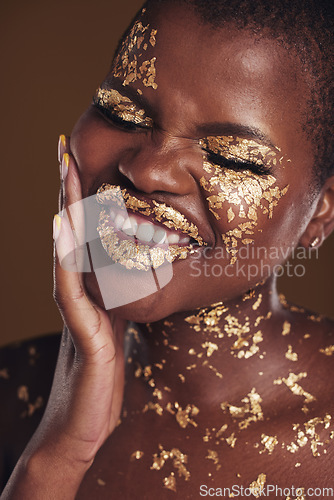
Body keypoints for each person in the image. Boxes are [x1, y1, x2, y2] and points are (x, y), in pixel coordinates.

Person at [1, 0, 334, 497]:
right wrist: (56, 459)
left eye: (232, 158)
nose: (148, 170)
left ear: (320, 213)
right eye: (121, 112)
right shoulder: (11, 390)